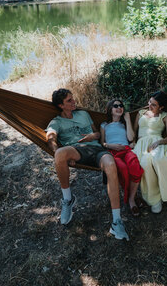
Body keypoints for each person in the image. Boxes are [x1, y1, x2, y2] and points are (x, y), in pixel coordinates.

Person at [45, 89, 129, 241]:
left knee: (111, 165)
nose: (74, 102)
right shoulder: (56, 122)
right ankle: (68, 200)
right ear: (61, 105)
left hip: (97, 149)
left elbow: (97, 134)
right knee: (60, 154)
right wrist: (61, 156)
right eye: (69, 101)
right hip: (76, 150)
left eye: (73, 98)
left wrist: (92, 136)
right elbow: (50, 138)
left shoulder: (83, 114)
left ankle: (117, 221)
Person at [133, 91, 167, 214]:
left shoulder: (165, 116)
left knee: (159, 159)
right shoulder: (140, 113)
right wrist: (131, 142)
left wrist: (159, 143)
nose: (149, 105)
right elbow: (133, 132)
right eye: (149, 102)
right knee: (144, 164)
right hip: (141, 145)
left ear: (161, 107)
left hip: (158, 142)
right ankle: (154, 199)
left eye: (154, 105)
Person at [100, 99, 144, 217]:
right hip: (113, 152)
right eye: (116, 106)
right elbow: (102, 143)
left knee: (135, 166)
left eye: (121, 106)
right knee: (123, 169)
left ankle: (131, 199)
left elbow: (130, 138)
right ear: (110, 109)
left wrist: (128, 120)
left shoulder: (124, 123)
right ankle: (133, 198)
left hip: (126, 150)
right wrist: (110, 145)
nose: (119, 107)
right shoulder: (104, 125)